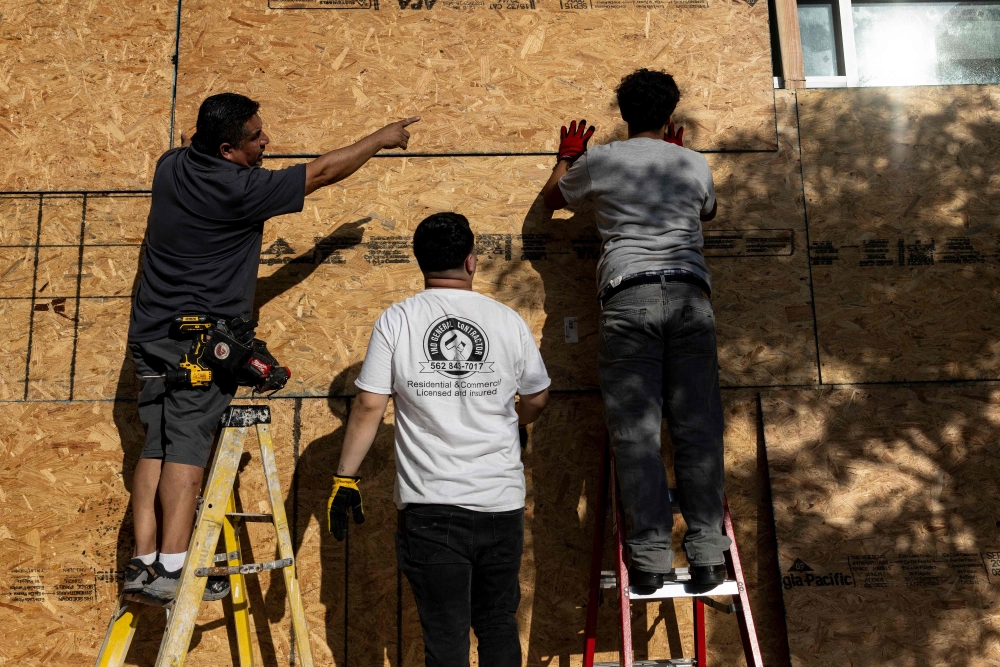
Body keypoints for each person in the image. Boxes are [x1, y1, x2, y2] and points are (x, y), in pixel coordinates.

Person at [124, 91, 420, 600]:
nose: (267, 142)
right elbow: (323, 172)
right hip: (199, 345)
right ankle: (174, 568)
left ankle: (144, 561)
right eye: (255, 138)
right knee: (188, 449)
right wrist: (382, 137)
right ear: (225, 148)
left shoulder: (170, 166)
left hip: (150, 334)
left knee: (157, 445)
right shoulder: (238, 188)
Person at [327, 212, 550, 667]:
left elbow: (370, 406)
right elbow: (538, 397)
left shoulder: (399, 319)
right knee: (496, 623)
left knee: (445, 639)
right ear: (471, 261)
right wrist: (517, 420)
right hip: (500, 503)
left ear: (420, 262)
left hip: (432, 509)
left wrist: (344, 479)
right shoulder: (505, 320)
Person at [540, 68, 730, 593]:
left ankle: (649, 562)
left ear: (622, 114)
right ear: (671, 116)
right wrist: (671, 160)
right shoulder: (693, 163)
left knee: (637, 435)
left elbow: (555, 200)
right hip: (691, 299)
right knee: (698, 430)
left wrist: (569, 157)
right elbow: (707, 213)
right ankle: (710, 556)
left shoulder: (600, 161)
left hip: (630, 298)